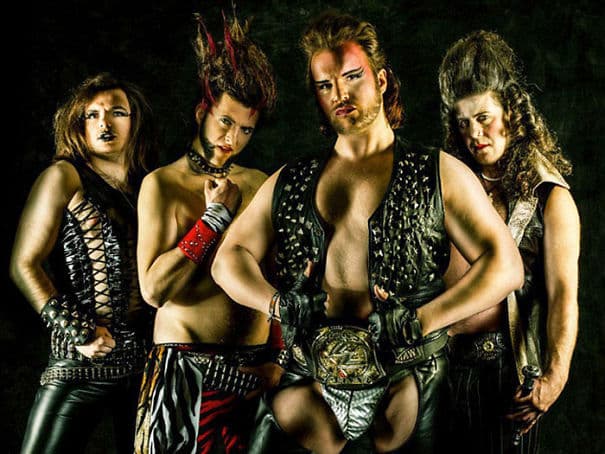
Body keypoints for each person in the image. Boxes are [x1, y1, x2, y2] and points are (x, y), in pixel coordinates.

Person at [212, 11, 524, 454]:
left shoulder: (437, 172)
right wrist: (277, 304)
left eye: (352, 77)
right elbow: (228, 259)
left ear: (381, 79)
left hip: (406, 381)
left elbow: (506, 266)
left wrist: (422, 320)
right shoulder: (292, 179)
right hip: (309, 384)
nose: (339, 94)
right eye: (325, 85)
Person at [133, 12, 281, 454]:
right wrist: (214, 218)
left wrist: (277, 360)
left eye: (246, 129)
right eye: (225, 122)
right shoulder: (163, 185)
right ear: (203, 112)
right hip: (184, 372)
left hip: (253, 376)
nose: (233, 138)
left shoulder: (259, 183)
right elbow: (154, 289)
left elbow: (279, 278)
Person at [439, 30, 580, 454]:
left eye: (484, 117)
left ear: (512, 112)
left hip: (503, 373)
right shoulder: (450, 181)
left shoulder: (550, 197)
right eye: (463, 122)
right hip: (437, 366)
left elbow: (563, 296)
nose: (474, 133)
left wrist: (554, 378)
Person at [10, 72, 158, 454]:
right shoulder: (63, 176)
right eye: (92, 115)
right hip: (79, 361)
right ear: (79, 124)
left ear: (134, 121)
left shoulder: (150, 184)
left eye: (117, 113)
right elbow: (24, 264)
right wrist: (80, 331)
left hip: (143, 364)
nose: (104, 123)